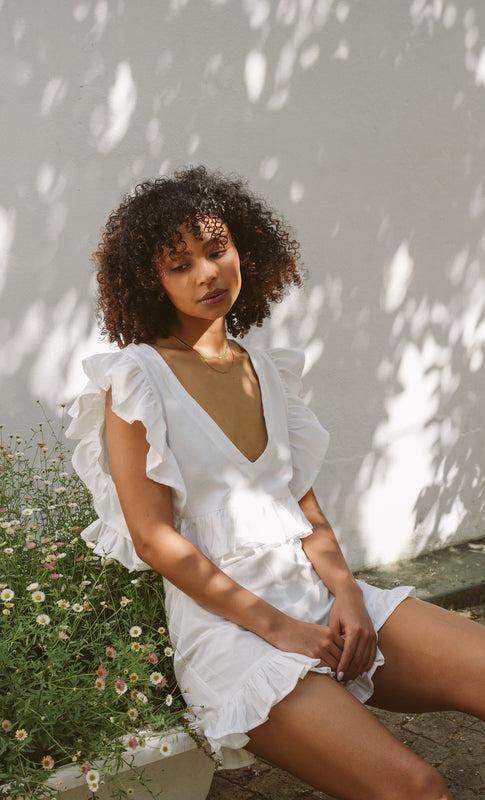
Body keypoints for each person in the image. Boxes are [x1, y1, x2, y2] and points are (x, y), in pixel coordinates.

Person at [67, 166, 485, 800]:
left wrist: (346, 593)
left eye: (216, 250)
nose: (206, 273)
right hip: (233, 634)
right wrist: (284, 631)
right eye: (179, 265)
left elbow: (302, 504)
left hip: (318, 596)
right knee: (418, 789)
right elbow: (153, 540)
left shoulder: (263, 368)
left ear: (244, 249)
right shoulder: (136, 380)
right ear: (149, 280)